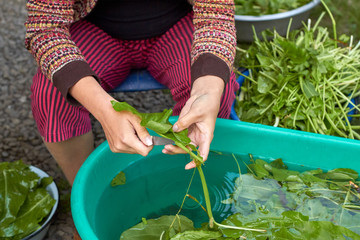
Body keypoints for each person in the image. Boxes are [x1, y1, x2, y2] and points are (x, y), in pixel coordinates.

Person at [25, 0, 239, 185]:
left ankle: (185, 185)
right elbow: (45, 27)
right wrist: (103, 108)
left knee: (217, 88)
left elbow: (215, 14)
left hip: (177, 25)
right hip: (94, 29)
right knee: (51, 95)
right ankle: (85, 191)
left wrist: (208, 90)